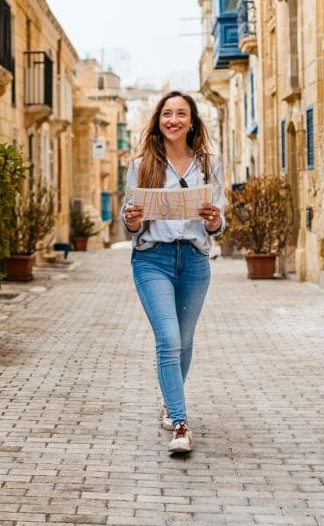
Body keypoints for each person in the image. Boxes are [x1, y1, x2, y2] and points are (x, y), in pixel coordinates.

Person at [121, 90, 225, 454]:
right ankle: (181, 423)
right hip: (153, 260)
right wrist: (131, 219)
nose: (173, 120)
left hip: (194, 260)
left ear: (192, 121)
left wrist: (214, 220)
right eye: (167, 113)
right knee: (168, 339)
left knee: (185, 339)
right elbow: (128, 223)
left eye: (181, 114)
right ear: (158, 119)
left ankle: (169, 401)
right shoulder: (141, 164)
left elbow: (218, 224)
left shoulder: (209, 164)